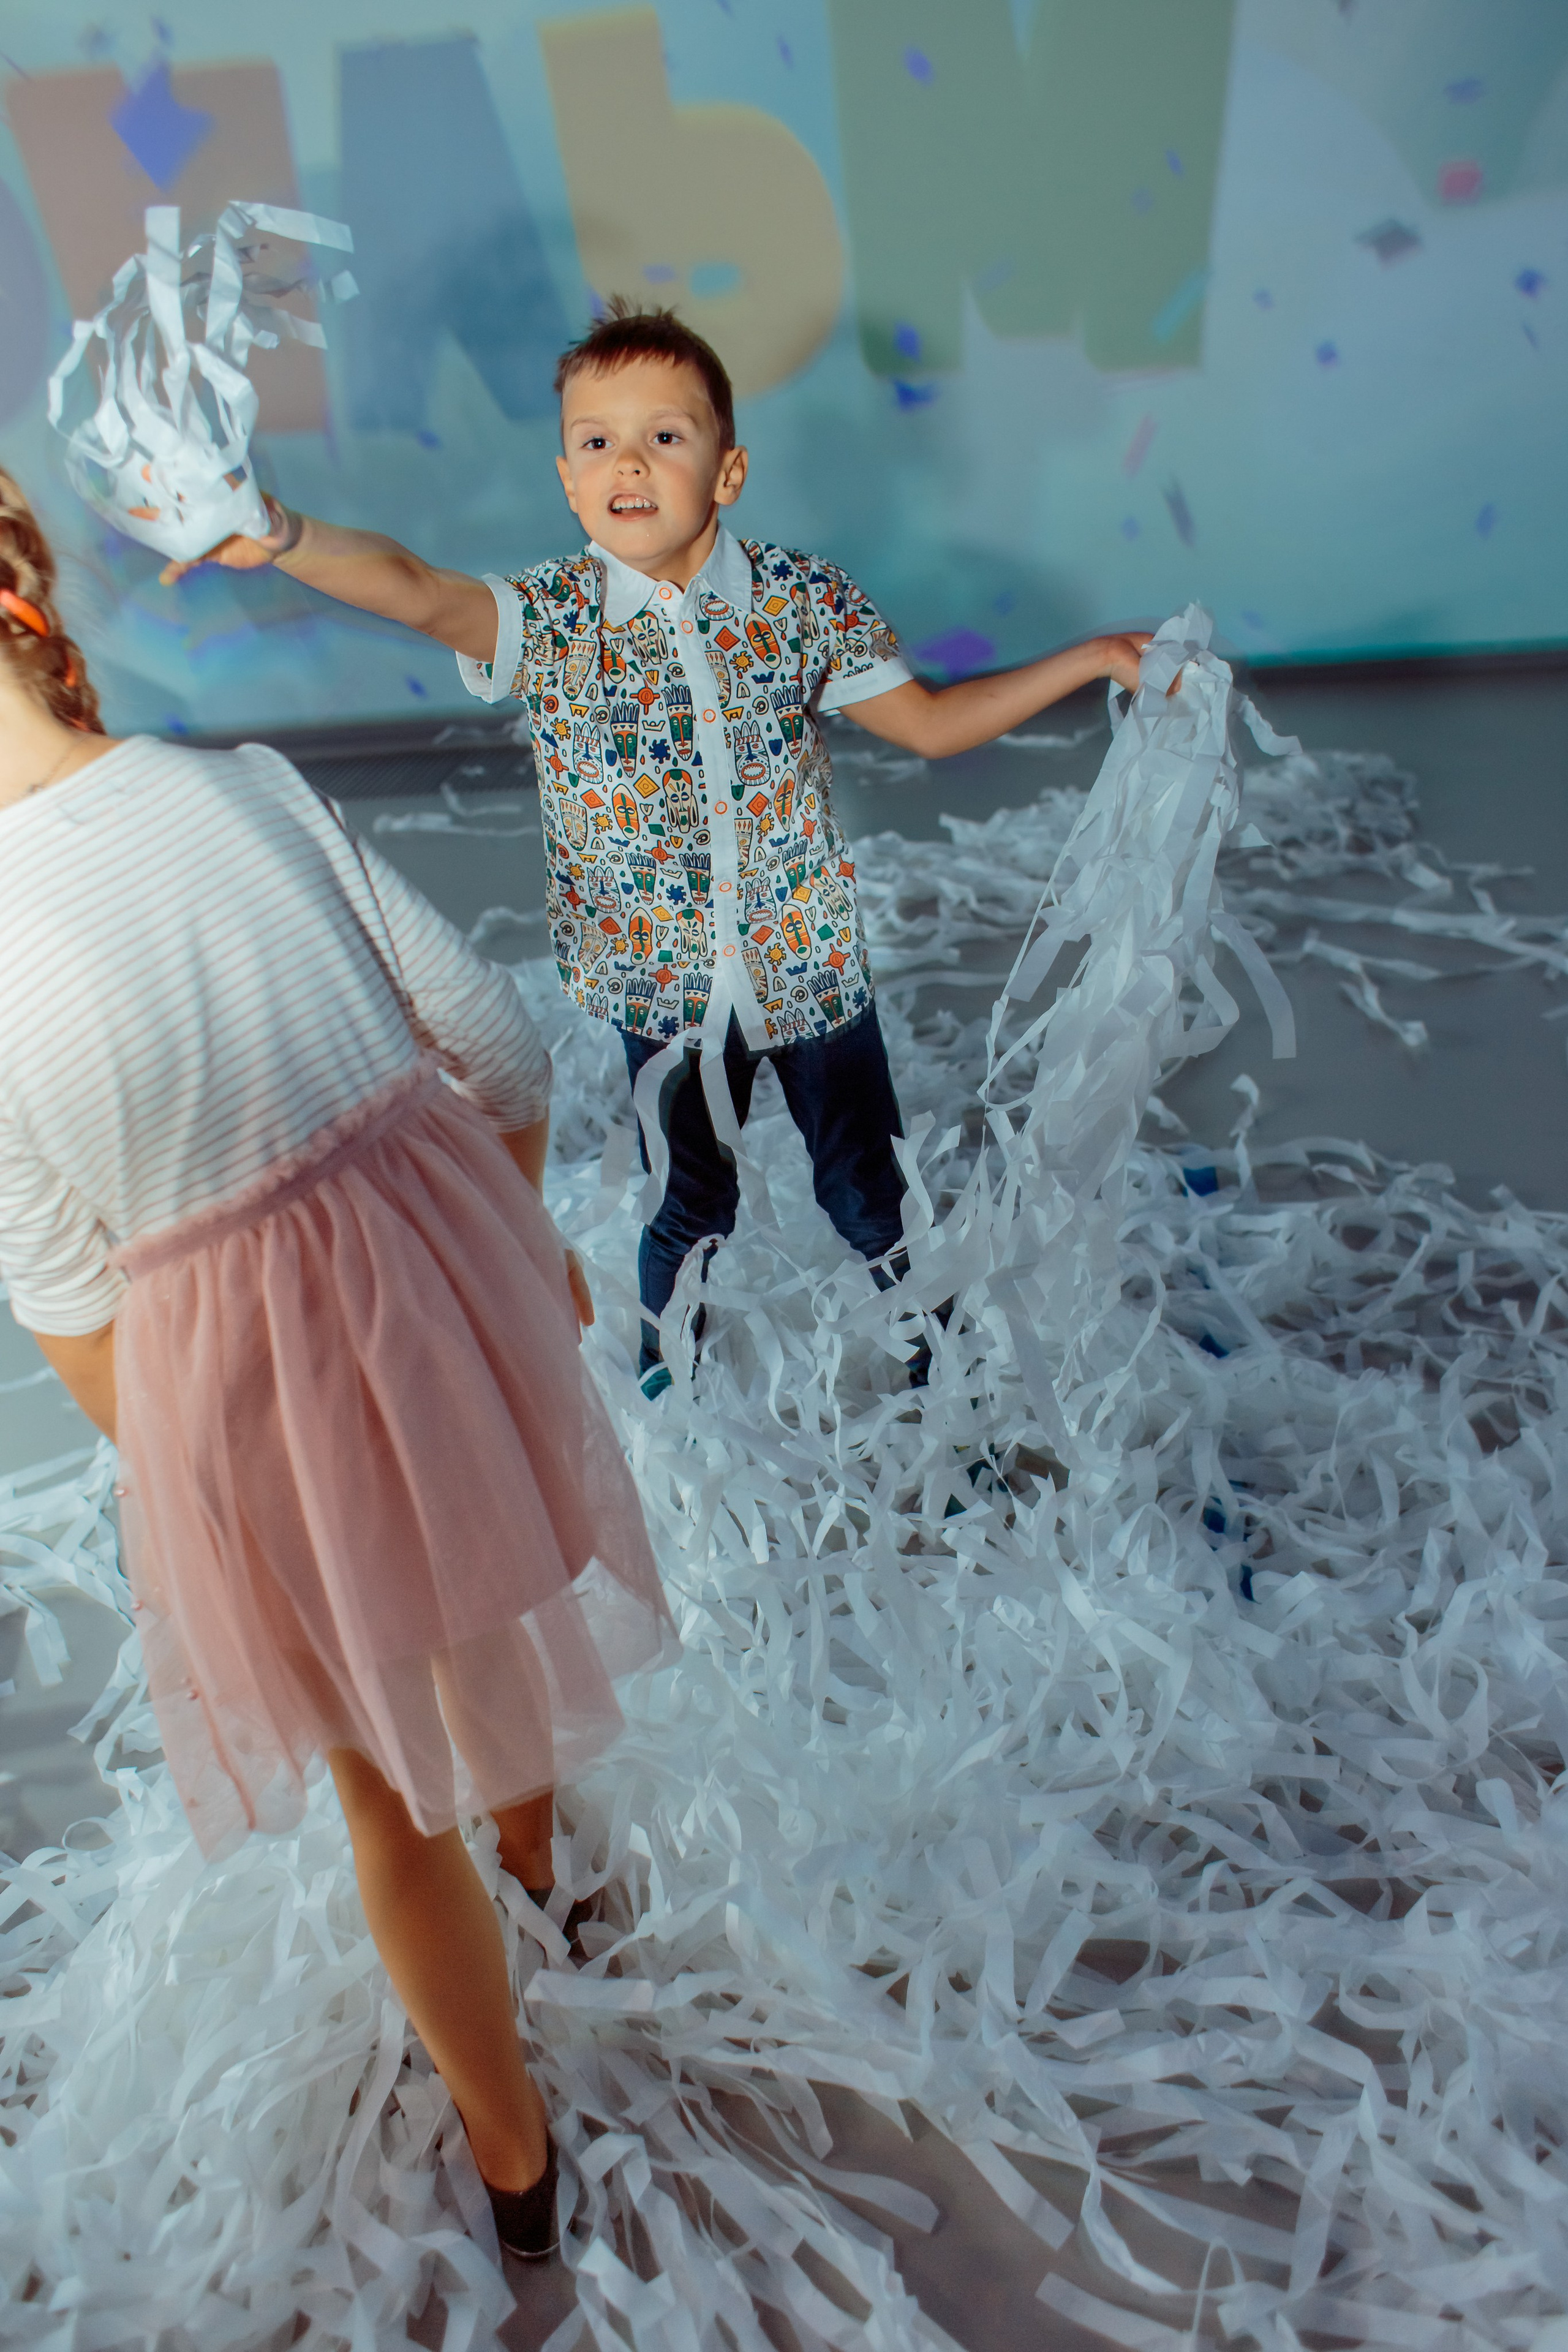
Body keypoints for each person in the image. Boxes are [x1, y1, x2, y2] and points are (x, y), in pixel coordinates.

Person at [0, 469, 673, 2263]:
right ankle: (546, 1876)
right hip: (428, 1286)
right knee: (499, 1605)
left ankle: (513, 2155)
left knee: (384, 1789)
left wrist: (207, 1495)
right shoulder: (238, 787)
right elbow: (493, 1038)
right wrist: (511, 1250)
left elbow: (63, 1292)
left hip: (225, 1391)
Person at [164, 301, 1156, 1396]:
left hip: (809, 969)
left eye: (664, 437)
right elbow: (414, 587)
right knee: (692, 1202)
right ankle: (672, 1394)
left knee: (870, 1191)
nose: (628, 462)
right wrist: (283, 532)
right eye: (598, 442)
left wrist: (1094, 656)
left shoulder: (803, 602)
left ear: (727, 472)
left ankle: (947, 1381)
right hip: (668, 990)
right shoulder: (554, 620)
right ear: (566, 476)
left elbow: (926, 722)